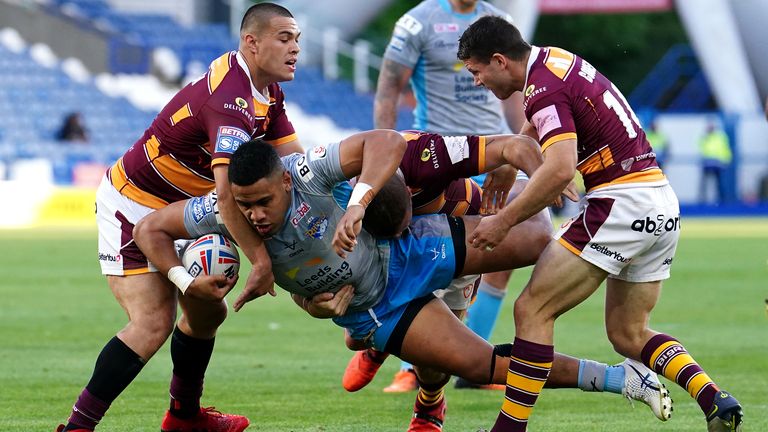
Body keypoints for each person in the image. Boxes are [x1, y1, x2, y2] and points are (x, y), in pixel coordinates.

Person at [134, 131, 673, 431]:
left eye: (264, 202)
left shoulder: (304, 172)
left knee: (535, 237)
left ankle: (614, 228)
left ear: (282, 181)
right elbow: (149, 228)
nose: (253, 216)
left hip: (408, 248)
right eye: (244, 206)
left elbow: (385, 142)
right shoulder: (220, 209)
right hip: (378, 308)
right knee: (478, 363)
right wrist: (185, 279)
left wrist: (360, 202)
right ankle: (624, 379)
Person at [457, 15, 743, 432]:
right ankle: (715, 400)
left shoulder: (541, 89)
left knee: (531, 308)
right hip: (661, 203)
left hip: (620, 204)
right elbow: (545, 121)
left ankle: (507, 430)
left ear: (499, 61)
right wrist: (512, 151)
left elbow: (559, 170)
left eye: (477, 72)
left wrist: (503, 222)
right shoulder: (553, 59)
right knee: (629, 334)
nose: (478, 82)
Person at [55, 3, 303, 431]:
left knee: (209, 311)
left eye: (297, 39)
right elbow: (227, 196)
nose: (295, 48)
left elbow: (297, 167)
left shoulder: (268, 92)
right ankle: (77, 427)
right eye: (284, 38)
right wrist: (262, 262)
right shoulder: (230, 101)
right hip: (136, 203)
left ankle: (184, 417)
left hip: (187, 209)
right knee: (153, 324)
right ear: (251, 42)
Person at [370, 0, 529, 393]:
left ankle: (474, 367)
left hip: (492, 153)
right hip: (437, 157)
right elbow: (389, 89)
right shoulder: (418, 21)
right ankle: (414, 363)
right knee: (432, 256)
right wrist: (385, 159)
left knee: (502, 252)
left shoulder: (499, 21)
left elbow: (512, 96)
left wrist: (521, 149)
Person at [698, 120, 733, 204]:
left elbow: (725, 149)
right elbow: (702, 149)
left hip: (718, 164)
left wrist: (726, 161)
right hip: (707, 163)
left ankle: (722, 201)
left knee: (719, 183)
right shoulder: (705, 137)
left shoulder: (720, 137)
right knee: (705, 183)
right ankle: (702, 201)